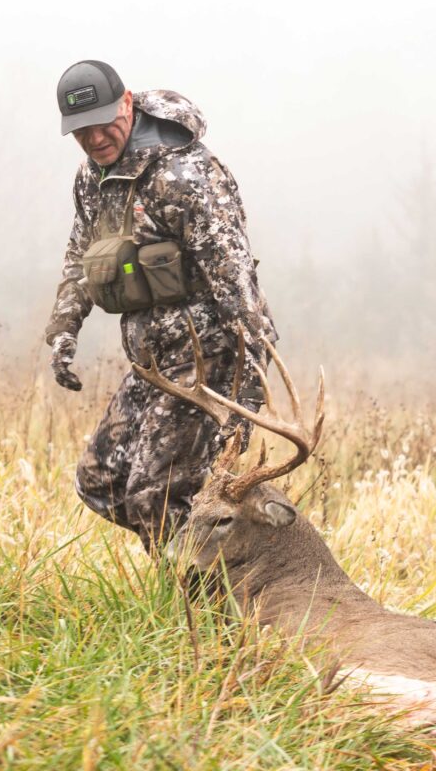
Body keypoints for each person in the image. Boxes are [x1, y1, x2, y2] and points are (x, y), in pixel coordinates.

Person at [45, 60, 277, 551]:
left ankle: (207, 607)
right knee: (100, 482)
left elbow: (234, 277)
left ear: (127, 102)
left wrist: (250, 379)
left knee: (157, 495)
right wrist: (64, 329)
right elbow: (79, 256)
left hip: (210, 357)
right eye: (81, 131)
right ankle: (197, 564)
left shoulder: (187, 175)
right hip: (152, 364)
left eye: (104, 122)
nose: (95, 138)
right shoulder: (92, 180)